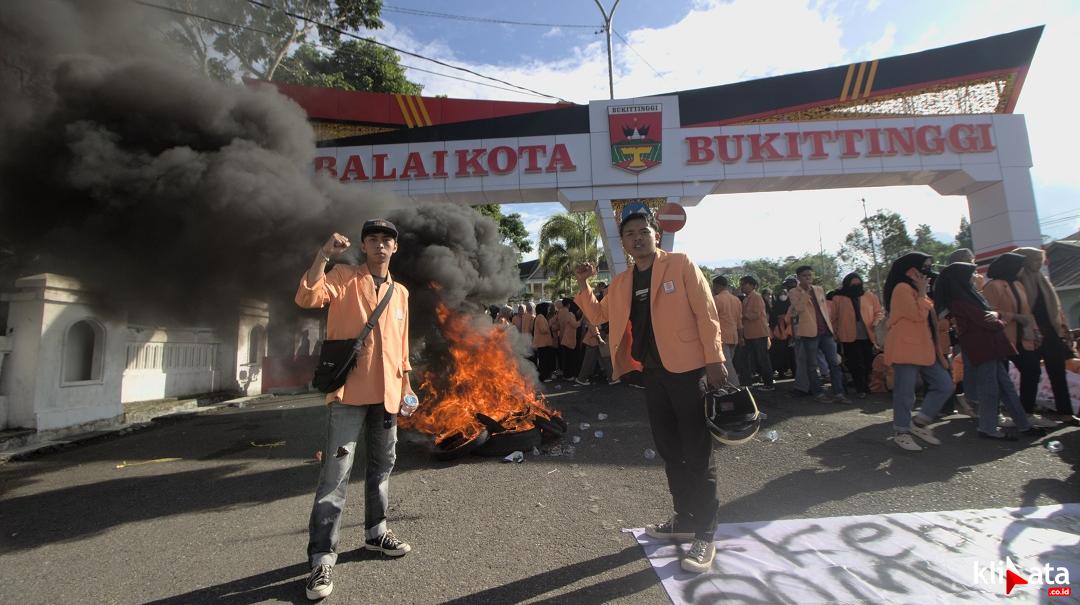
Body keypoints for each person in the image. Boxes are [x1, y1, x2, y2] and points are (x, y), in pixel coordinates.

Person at [573, 209, 727, 574]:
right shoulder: (623, 281)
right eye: (630, 234)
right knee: (670, 450)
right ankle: (683, 519)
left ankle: (705, 532)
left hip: (689, 371)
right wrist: (583, 284)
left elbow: (706, 314)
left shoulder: (680, 264)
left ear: (656, 235)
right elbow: (597, 317)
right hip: (652, 374)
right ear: (623, 243)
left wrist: (715, 359)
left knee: (697, 451)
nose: (638, 238)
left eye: (644, 231)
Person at [295, 221, 414, 601]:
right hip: (348, 395)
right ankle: (321, 559)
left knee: (382, 468)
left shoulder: (401, 293)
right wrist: (323, 255)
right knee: (335, 477)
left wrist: (407, 385)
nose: (381, 245)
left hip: (388, 395)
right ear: (364, 245)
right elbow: (307, 297)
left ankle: (376, 533)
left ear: (395, 248)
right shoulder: (343, 276)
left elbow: (402, 346)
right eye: (374, 239)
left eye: (387, 240)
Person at [934, 261, 1049, 441]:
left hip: (989, 347)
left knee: (1006, 388)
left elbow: (990, 318)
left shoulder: (968, 297)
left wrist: (997, 316)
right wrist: (998, 318)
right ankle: (988, 428)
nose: (975, 277)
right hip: (983, 348)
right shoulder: (961, 300)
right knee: (991, 390)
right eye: (971, 274)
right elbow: (989, 321)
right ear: (961, 278)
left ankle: (1023, 425)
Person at [882, 252, 954, 451]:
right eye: (924, 268)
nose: (927, 273)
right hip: (906, 348)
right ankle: (901, 432)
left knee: (945, 384)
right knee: (905, 393)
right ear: (910, 269)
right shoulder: (902, 288)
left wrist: (922, 292)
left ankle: (919, 423)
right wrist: (923, 293)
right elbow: (916, 315)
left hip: (925, 348)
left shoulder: (915, 290)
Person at [983, 253, 1060, 428]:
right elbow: (989, 314)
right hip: (1002, 339)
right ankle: (995, 416)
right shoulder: (993, 286)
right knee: (999, 379)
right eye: (1019, 266)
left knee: (1032, 371)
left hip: (1023, 338)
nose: (1022, 270)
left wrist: (1034, 331)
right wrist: (1015, 317)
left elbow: (1027, 312)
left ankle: (1026, 412)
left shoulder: (1018, 285)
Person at [1014, 247, 1076, 421]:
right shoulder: (1017, 282)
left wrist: (1064, 328)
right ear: (1025, 260)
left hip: (1051, 333)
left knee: (1058, 373)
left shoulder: (1043, 280)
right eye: (1035, 259)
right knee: (1032, 374)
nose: (1039, 263)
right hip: (1030, 334)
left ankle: (1065, 412)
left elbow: (1057, 309)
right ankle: (1026, 413)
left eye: (1040, 259)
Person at [787, 266, 850, 403]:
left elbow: (825, 311)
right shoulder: (793, 292)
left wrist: (832, 329)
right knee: (812, 365)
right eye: (804, 276)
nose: (808, 278)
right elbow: (798, 309)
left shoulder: (819, 289)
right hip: (809, 333)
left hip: (825, 331)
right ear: (799, 277)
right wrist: (805, 293)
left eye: (810, 275)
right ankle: (818, 393)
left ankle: (839, 393)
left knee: (833, 363)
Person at [832, 272, 884, 398]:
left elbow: (879, 311)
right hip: (848, 336)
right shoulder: (838, 298)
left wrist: (876, 322)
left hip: (868, 335)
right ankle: (861, 388)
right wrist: (835, 333)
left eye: (858, 282)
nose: (856, 285)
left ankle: (867, 385)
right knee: (856, 363)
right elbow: (834, 317)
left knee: (868, 362)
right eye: (853, 282)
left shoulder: (869, 295)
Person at [739, 275, 775, 390]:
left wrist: (741, 316)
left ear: (751, 285)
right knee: (747, 358)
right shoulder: (747, 298)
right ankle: (747, 382)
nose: (741, 287)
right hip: (750, 334)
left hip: (759, 333)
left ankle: (769, 384)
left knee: (762, 359)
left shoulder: (756, 297)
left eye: (743, 284)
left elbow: (755, 315)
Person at [712, 275, 742, 386]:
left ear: (716, 285)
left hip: (722, 337)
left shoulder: (717, 299)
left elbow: (712, 320)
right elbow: (739, 322)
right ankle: (728, 390)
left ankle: (736, 390)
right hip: (734, 337)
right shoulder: (736, 300)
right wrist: (741, 337)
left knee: (727, 367)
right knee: (728, 365)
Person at [769, 284, 795, 378]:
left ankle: (793, 370)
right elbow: (771, 319)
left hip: (789, 333)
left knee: (791, 353)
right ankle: (780, 372)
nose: (782, 295)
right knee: (779, 354)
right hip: (778, 335)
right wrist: (778, 318)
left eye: (784, 293)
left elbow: (793, 316)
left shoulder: (791, 305)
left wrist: (785, 317)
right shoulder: (774, 306)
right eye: (781, 294)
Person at [533, 302, 557, 382]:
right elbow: (543, 330)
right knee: (543, 362)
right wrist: (549, 325)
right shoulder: (540, 317)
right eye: (547, 308)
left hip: (543, 343)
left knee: (545, 361)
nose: (548, 310)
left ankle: (545, 376)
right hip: (542, 343)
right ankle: (543, 377)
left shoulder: (541, 317)